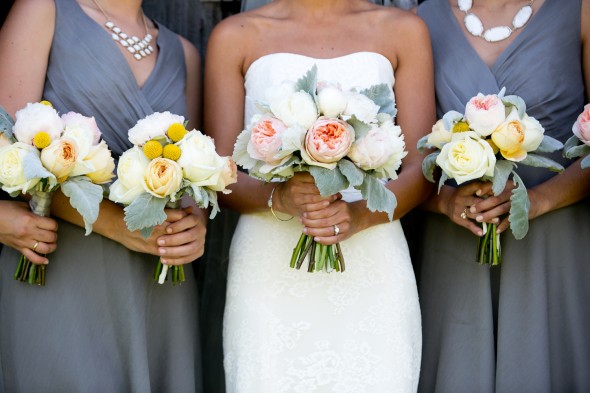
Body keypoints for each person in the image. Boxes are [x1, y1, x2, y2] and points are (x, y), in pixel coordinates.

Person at [204, 0, 435, 391]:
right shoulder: (235, 36)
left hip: (373, 257)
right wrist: (280, 198)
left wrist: (361, 215)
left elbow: (423, 169)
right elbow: (219, 174)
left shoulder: (405, 31)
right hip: (270, 267)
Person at [0, 0, 206, 391]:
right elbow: (5, 147)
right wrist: (115, 225)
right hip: (61, 266)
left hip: (161, 284)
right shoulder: (44, 11)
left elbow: (194, 179)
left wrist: (192, 231)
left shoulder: (185, 54)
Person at [416, 0, 590, 391]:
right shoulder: (423, 19)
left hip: (553, 240)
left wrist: (538, 201)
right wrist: (443, 202)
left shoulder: (580, 12)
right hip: (457, 236)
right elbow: (407, 157)